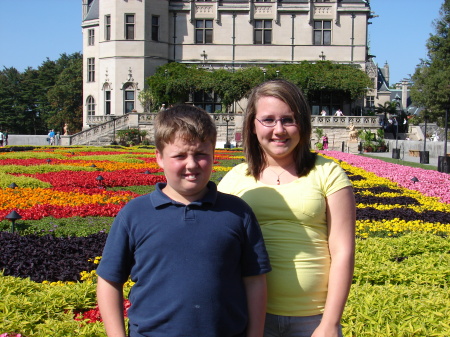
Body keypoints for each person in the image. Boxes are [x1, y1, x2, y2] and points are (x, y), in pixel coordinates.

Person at [96, 104, 271, 337]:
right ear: (159, 157)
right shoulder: (135, 214)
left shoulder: (237, 212)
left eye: (201, 154)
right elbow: (109, 281)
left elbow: (255, 281)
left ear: (213, 155)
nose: (191, 164)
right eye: (179, 155)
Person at [218, 80, 355, 337]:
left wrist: (330, 323)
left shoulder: (328, 173)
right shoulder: (235, 179)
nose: (279, 130)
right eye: (268, 120)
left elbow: (343, 252)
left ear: (302, 124)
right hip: (252, 317)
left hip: (313, 319)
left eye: (288, 119)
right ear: (252, 125)